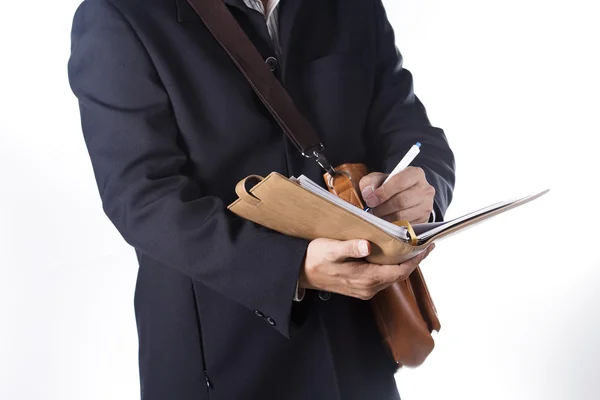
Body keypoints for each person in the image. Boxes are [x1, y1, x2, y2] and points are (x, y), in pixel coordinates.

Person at [67, 0, 455, 398]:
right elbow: (142, 198)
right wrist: (291, 266)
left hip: (358, 352)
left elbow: (411, 130)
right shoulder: (119, 14)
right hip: (221, 365)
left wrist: (423, 189)